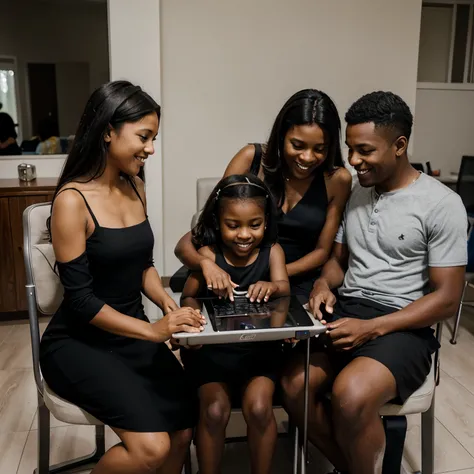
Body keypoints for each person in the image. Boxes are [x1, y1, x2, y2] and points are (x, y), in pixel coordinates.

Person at [281, 91, 468, 474]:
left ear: (399, 145)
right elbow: (337, 261)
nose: (352, 161)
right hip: (348, 312)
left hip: (403, 324)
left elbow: (448, 299)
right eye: (350, 148)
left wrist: (372, 328)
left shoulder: (441, 204)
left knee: (350, 395)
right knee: (293, 387)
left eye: (365, 150)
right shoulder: (358, 194)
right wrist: (322, 287)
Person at [40, 80, 205, 474]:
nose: (151, 149)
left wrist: (165, 300)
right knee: (149, 448)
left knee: (184, 426)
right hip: (80, 343)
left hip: (129, 334)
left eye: (154, 138)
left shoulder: (135, 185)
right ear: (108, 131)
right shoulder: (72, 201)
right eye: (144, 137)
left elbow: (143, 265)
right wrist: (154, 331)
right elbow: (80, 302)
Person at [175, 89, 352, 303]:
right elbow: (199, 234)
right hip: (234, 277)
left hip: (295, 282)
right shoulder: (251, 159)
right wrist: (212, 266)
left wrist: (274, 276)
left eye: (320, 149)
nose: (307, 157)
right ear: (281, 135)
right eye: (297, 145)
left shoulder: (337, 179)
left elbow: (322, 252)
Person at [179, 174, 290, 474]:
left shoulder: (272, 252)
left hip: (259, 353)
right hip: (213, 354)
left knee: (258, 408)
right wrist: (195, 322)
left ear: (266, 222)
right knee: (214, 412)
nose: (244, 234)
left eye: (254, 225)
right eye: (233, 225)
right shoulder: (209, 255)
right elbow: (188, 297)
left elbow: (284, 287)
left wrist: (272, 286)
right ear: (218, 222)